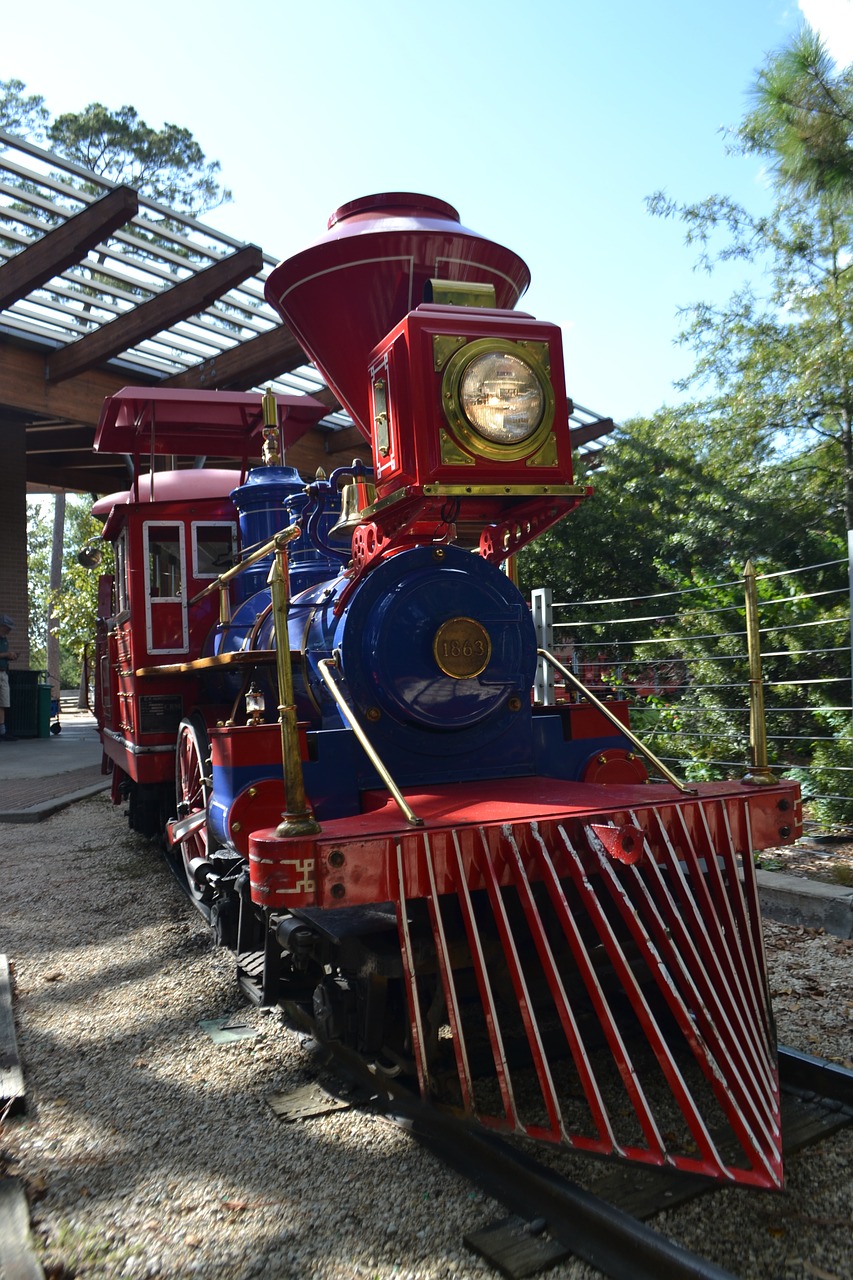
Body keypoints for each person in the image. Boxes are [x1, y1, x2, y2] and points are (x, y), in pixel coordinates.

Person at [0, 614, 19, 742]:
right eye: (7, 627)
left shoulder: (5, 640)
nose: (9, 630)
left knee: (3, 702)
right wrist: (7, 654)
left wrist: (11, 656)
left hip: (3, 672)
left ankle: (2, 731)